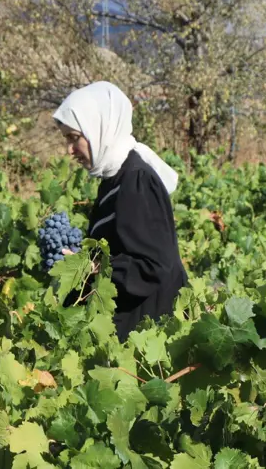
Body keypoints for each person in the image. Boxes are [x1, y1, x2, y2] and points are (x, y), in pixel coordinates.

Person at [53, 81, 188, 342]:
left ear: (98, 129)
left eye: (74, 138)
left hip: (149, 332)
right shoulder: (115, 176)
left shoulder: (136, 180)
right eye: (66, 139)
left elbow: (154, 266)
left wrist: (95, 269)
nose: (69, 150)